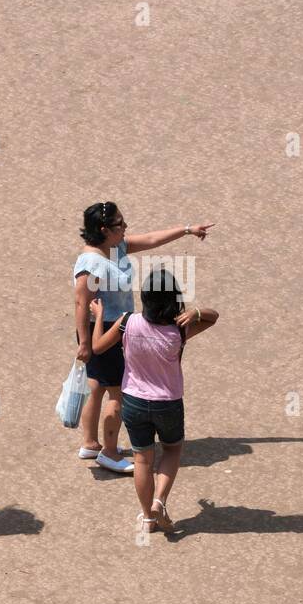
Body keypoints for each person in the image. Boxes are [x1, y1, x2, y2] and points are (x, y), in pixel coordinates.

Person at [72, 202, 215, 473]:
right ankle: (110, 453)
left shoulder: (116, 246)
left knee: (97, 385)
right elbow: (81, 303)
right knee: (117, 392)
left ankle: (90, 443)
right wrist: (84, 343)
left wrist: (187, 230)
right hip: (106, 330)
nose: (126, 227)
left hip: (111, 326)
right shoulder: (92, 263)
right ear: (103, 229)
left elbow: (151, 239)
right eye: (120, 224)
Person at [91, 267, 219, 532]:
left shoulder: (127, 322)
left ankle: (147, 518)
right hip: (169, 402)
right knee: (171, 450)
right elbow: (213, 317)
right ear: (174, 299)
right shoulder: (179, 330)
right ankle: (159, 502)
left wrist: (100, 316)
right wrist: (194, 312)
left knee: (142, 460)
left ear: (145, 298)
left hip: (134, 402)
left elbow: (98, 347)